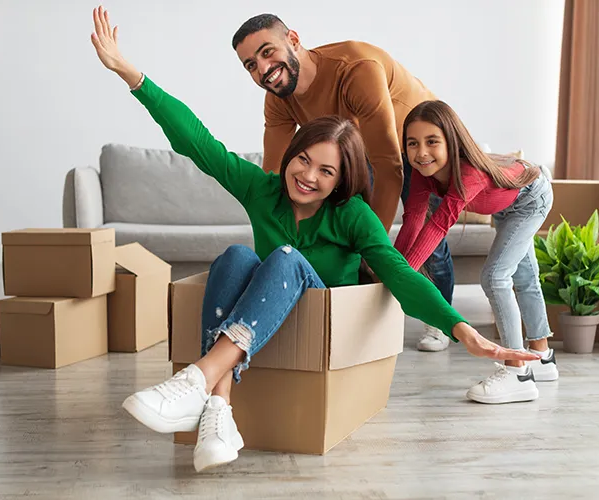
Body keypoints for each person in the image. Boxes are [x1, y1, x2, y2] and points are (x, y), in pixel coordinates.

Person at [89, 6, 539, 471]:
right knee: (235, 257)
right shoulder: (263, 189)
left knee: (283, 257)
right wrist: (131, 74)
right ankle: (218, 410)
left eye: (327, 171)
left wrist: (462, 330)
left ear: (342, 178)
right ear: (291, 155)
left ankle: (197, 379)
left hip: (324, 311)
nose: (307, 177)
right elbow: (197, 142)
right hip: (268, 312)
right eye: (302, 160)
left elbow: (401, 275)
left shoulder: (352, 215)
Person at [232, 14, 454, 352]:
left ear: (293, 39)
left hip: (415, 146)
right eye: (250, 65)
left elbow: (390, 164)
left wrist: (368, 247)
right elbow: (272, 177)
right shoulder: (278, 96)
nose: (262, 69)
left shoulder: (355, 70)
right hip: (359, 151)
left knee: (427, 238)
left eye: (267, 52)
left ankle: (441, 321)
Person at [395, 99, 558, 405]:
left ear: (451, 141)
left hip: (532, 197)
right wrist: (396, 270)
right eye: (412, 144)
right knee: (524, 278)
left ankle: (518, 373)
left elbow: (439, 225)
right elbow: (414, 220)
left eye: (432, 142)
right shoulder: (421, 173)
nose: (421, 153)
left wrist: (402, 277)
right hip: (507, 206)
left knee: (495, 277)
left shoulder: (468, 173)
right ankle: (541, 356)